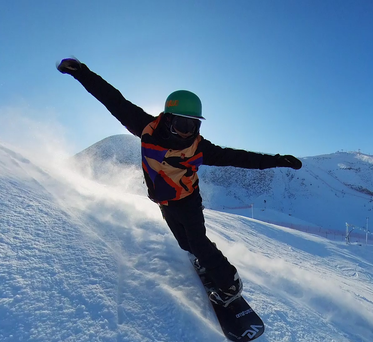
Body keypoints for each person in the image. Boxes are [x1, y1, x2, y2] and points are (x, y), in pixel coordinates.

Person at [57, 57, 303, 306]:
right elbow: (111, 98)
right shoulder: (145, 127)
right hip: (164, 201)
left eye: (193, 125)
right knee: (184, 242)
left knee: (198, 242)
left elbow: (240, 158)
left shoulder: (199, 147)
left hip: (188, 201)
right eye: (182, 124)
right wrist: (81, 73)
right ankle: (200, 257)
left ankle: (230, 283)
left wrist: (278, 160)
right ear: (167, 119)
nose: (188, 132)